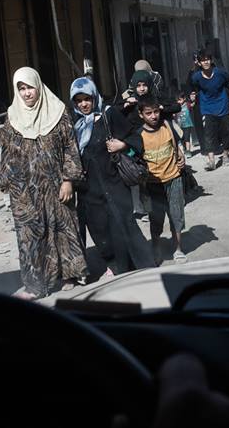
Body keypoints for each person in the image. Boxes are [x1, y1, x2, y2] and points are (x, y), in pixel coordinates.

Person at [0, 67, 88, 299]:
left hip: (57, 184)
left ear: (38, 86)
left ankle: (68, 275)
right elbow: (7, 154)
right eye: (21, 88)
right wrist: (6, 186)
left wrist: (68, 179)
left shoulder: (58, 113)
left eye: (30, 87)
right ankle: (35, 286)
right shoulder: (11, 118)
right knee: (30, 235)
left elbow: (71, 147)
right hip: (25, 190)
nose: (27, 93)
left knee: (63, 229)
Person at [70, 77, 155, 278]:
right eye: (79, 100)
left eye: (87, 98)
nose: (84, 104)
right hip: (89, 190)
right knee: (100, 230)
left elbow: (136, 138)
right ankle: (116, 266)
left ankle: (144, 268)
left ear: (94, 97)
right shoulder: (74, 124)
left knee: (124, 225)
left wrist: (122, 145)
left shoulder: (109, 115)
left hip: (114, 184)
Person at [127, 96, 188, 264]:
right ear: (141, 115)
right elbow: (132, 154)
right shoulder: (139, 135)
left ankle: (178, 248)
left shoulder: (167, 126)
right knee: (156, 218)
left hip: (173, 178)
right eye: (149, 113)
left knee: (177, 215)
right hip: (152, 184)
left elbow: (176, 144)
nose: (153, 116)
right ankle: (156, 246)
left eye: (156, 112)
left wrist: (181, 156)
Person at [188, 50, 229, 171]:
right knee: (209, 134)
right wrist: (192, 96)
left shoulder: (220, 73)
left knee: (225, 133)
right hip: (207, 108)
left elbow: (228, 83)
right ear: (199, 63)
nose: (205, 62)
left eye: (207, 59)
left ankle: (225, 156)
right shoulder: (196, 77)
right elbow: (193, 88)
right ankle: (211, 161)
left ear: (211, 60)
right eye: (203, 60)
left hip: (222, 106)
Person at [177, 89, 195, 156]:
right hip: (180, 125)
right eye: (177, 100)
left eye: (180, 100)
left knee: (187, 138)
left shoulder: (187, 105)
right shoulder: (177, 107)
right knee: (182, 139)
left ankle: (188, 151)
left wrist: (193, 99)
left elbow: (192, 104)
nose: (178, 102)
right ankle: (184, 148)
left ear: (184, 99)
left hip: (187, 124)